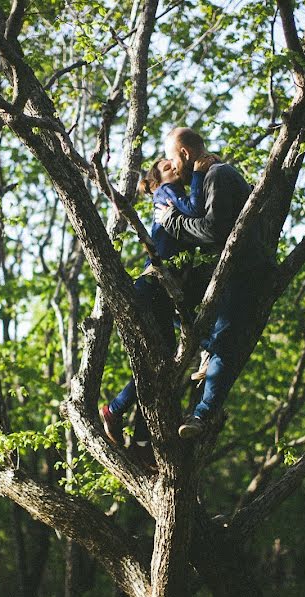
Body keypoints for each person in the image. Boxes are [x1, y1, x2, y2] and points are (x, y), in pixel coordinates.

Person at [100, 154, 218, 448]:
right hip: (154, 286)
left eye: (173, 163)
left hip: (164, 291)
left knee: (161, 369)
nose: (174, 167)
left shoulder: (173, 193)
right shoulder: (166, 192)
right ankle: (114, 410)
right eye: (167, 167)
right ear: (155, 183)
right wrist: (201, 176)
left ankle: (141, 442)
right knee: (159, 366)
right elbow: (197, 210)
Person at [158, 127, 268, 439]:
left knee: (225, 344)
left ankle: (202, 416)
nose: (171, 165)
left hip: (243, 271)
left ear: (183, 153)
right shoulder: (205, 179)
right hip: (224, 273)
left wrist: (172, 222)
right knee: (185, 320)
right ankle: (206, 351)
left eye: (171, 158)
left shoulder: (217, 175)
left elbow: (214, 229)